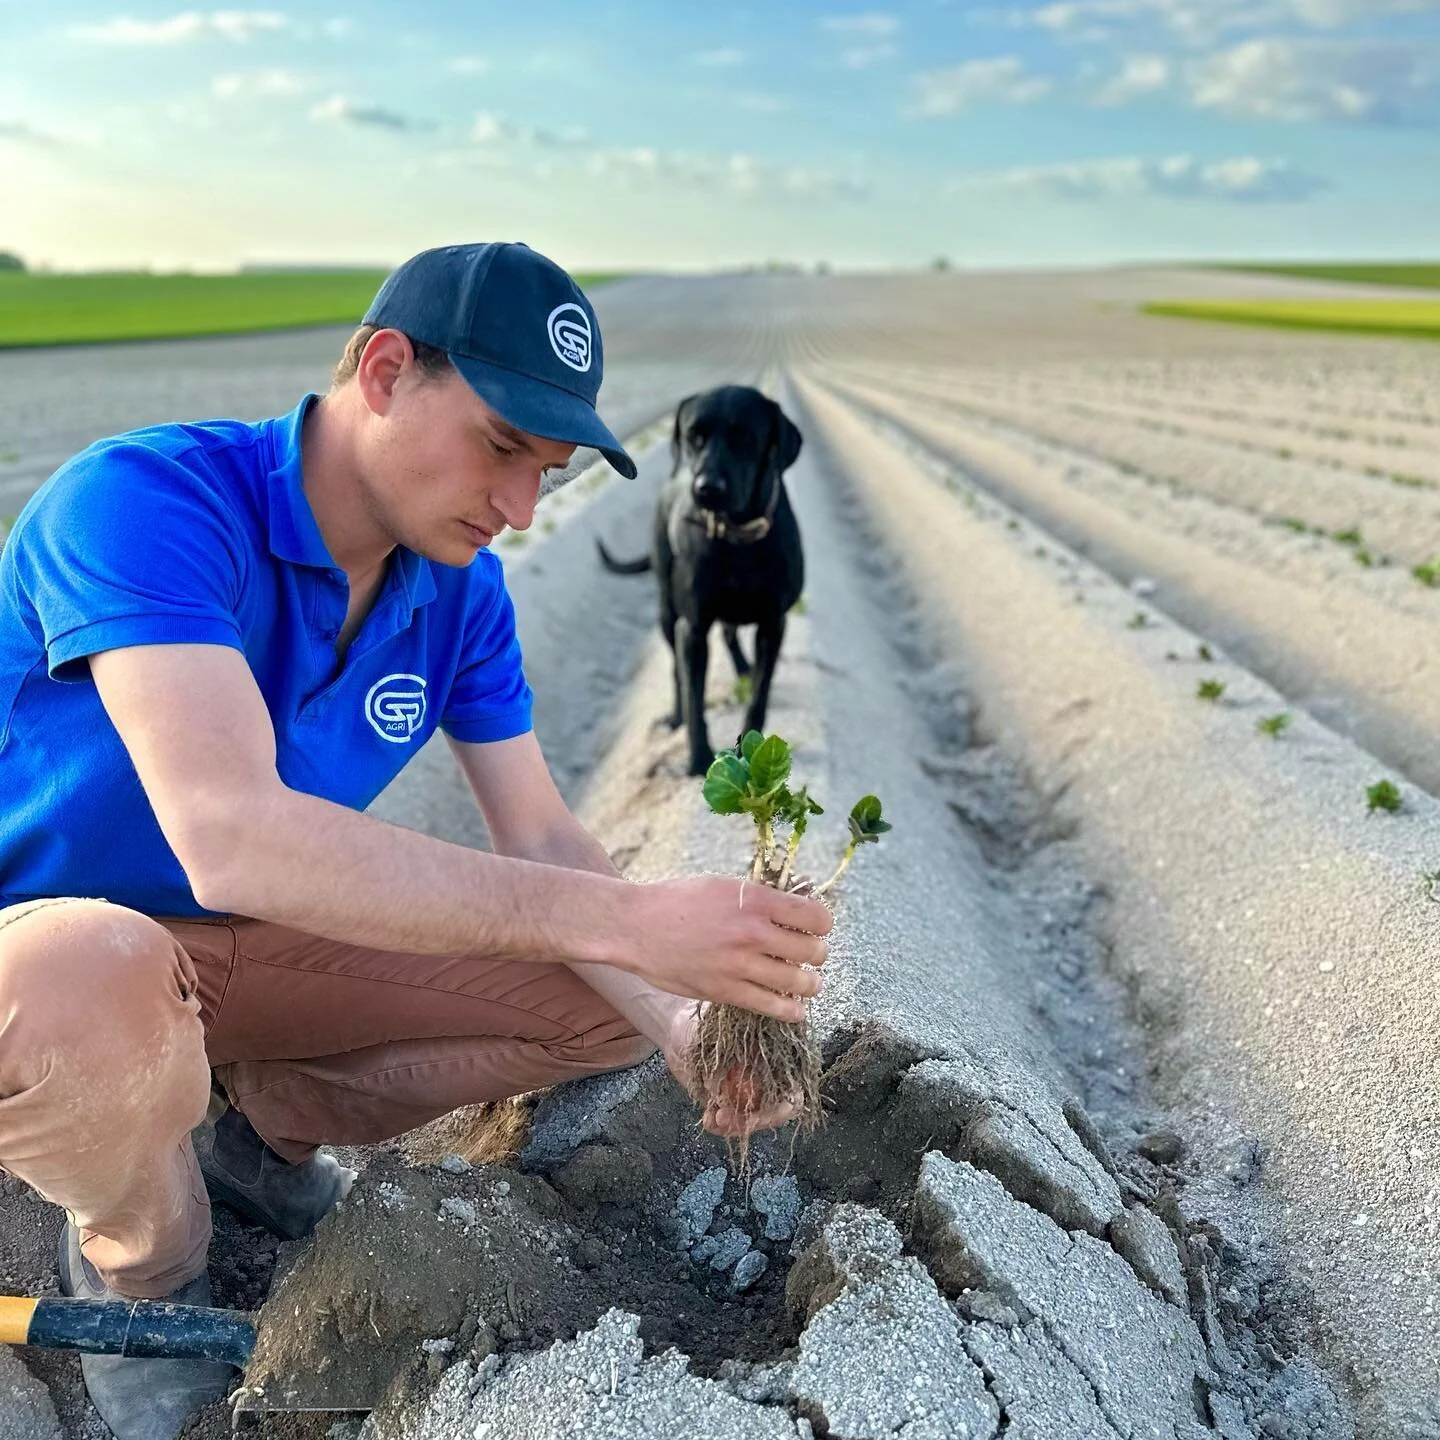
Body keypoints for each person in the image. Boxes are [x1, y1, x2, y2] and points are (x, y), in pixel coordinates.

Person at [0, 242, 831, 1440]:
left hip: (241, 955)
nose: (519, 509)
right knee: (88, 978)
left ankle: (255, 1137)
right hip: (53, 957)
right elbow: (228, 832)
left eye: (545, 474)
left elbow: (540, 830)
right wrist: (633, 920)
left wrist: (683, 1021)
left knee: (605, 1003)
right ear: (386, 370)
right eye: (503, 448)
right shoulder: (147, 502)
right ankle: (146, 1269)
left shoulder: (459, 592)